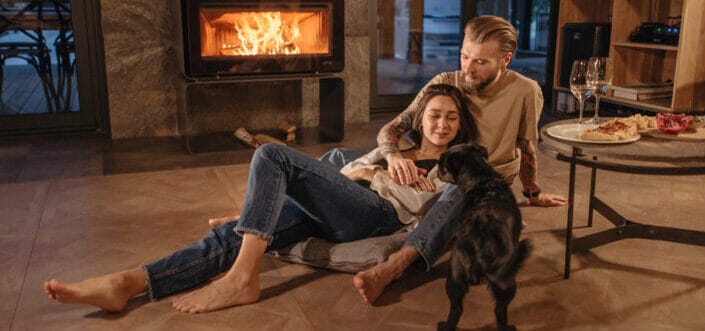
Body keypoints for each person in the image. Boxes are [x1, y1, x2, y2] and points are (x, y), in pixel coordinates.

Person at [43, 84, 477, 314]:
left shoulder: (457, 164)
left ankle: (243, 278)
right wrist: (379, 166)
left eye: (451, 118)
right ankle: (130, 282)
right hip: (343, 197)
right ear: (420, 119)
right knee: (233, 235)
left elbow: (441, 208)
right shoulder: (394, 148)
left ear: (460, 126)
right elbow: (347, 169)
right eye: (435, 115)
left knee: (272, 154)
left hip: (375, 216)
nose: (442, 123)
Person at [352, 15, 567, 305]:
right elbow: (392, 129)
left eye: (480, 62)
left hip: (487, 185)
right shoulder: (446, 82)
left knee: (464, 190)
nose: (467, 67)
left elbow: (526, 146)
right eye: (464, 56)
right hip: (440, 170)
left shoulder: (525, 91)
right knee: (343, 158)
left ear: (506, 59)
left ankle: (393, 267)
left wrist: (533, 193)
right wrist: (392, 157)